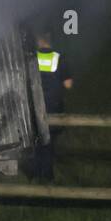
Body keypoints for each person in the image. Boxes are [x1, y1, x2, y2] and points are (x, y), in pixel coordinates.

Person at [33, 30, 73, 181]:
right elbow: (68, 84)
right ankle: (47, 175)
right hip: (54, 105)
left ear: (39, 41)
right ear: (50, 41)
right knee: (49, 140)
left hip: (36, 104)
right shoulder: (59, 58)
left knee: (37, 139)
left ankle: (37, 173)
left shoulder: (32, 59)